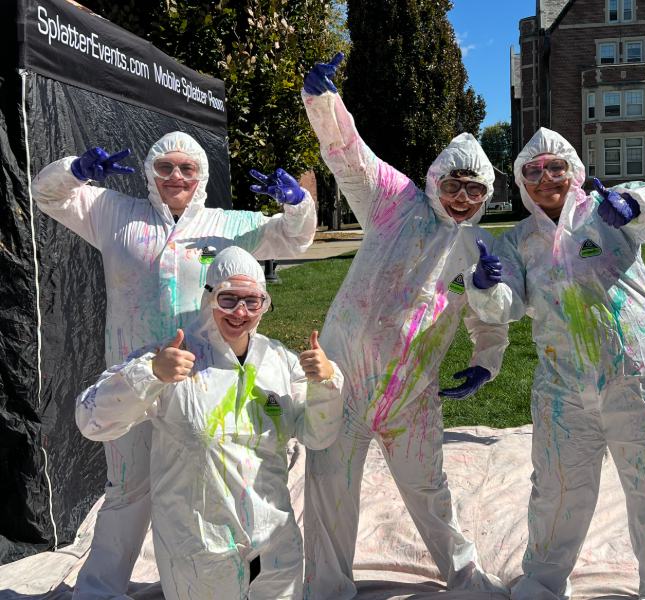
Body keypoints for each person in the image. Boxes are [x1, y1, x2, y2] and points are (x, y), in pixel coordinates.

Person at [31, 131, 317, 599]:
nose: (176, 177)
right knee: (124, 489)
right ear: (149, 172)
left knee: (197, 485)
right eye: (165, 168)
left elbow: (296, 238)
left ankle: (201, 577)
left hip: (201, 382)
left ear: (201, 175)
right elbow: (46, 195)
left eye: (187, 169)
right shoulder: (115, 213)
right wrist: (76, 171)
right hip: (133, 379)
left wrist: (297, 202)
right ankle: (99, 591)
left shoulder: (228, 223)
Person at [300, 53, 510, 599]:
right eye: (455, 185)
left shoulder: (478, 248)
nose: (462, 199)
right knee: (328, 491)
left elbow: (491, 320)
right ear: (437, 179)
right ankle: (326, 589)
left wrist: (484, 363)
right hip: (342, 381)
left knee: (429, 491)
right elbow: (349, 156)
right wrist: (325, 102)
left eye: (475, 191)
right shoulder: (393, 203)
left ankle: (465, 579)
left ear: (487, 195)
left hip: (412, 396)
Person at [464, 127, 645, 599]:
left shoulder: (606, 211)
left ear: (574, 171)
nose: (546, 178)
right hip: (563, 387)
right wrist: (485, 287)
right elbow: (506, 305)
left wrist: (638, 207)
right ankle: (543, 581)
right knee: (556, 491)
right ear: (521, 181)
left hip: (638, 376)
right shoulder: (518, 241)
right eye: (533, 171)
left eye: (556, 168)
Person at [75, 246, 344, 600]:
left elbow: (318, 436)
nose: (240, 312)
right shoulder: (176, 359)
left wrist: (325, 385)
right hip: (199, 551)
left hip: (275, 547)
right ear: (209, 298)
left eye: (252, 301)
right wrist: (150, 374)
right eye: (228, 299)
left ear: (265, 304)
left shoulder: (279, 362)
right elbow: (91, 419)